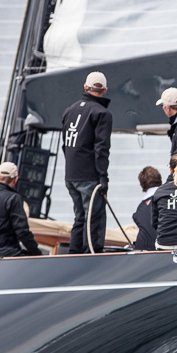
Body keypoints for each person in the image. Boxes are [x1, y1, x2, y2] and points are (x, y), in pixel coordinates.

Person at [62, 70, 112, 253]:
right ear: (105, 90)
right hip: (89, 177)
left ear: (85, 87)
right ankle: (92, 256)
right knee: (94, 218)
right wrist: (103, 177)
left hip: (71, 175)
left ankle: (74, 255)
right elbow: (101, 148)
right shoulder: (102, 113)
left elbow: (64, 145)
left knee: (80, 217)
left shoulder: (69, 110)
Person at [0, 162, 43, 258]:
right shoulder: (13, 198)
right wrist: (37, 253)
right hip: (4, 253)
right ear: (15, 180)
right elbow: (22, 232)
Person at [132, 166, 162, 250]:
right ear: (160, 179)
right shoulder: (166, 198)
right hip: (163, 247)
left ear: (142, 184)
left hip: (142, 249)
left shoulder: (140, 209)